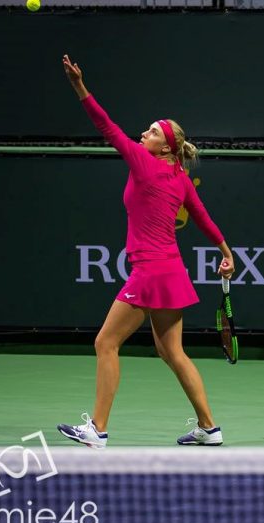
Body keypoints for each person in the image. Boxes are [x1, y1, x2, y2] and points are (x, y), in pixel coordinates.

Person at [56, 54, 234, 449]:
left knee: (105, 342)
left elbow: (106, 126)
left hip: (151, 273)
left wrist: (79, 87)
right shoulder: (180, 178)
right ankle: (209, 427)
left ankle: (97, 429)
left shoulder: (143, 163)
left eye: (152, 131)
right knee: (172, 351)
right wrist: (225, 250)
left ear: (164, 145)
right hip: (171, 272)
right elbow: (203, 218)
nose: (144, 133)